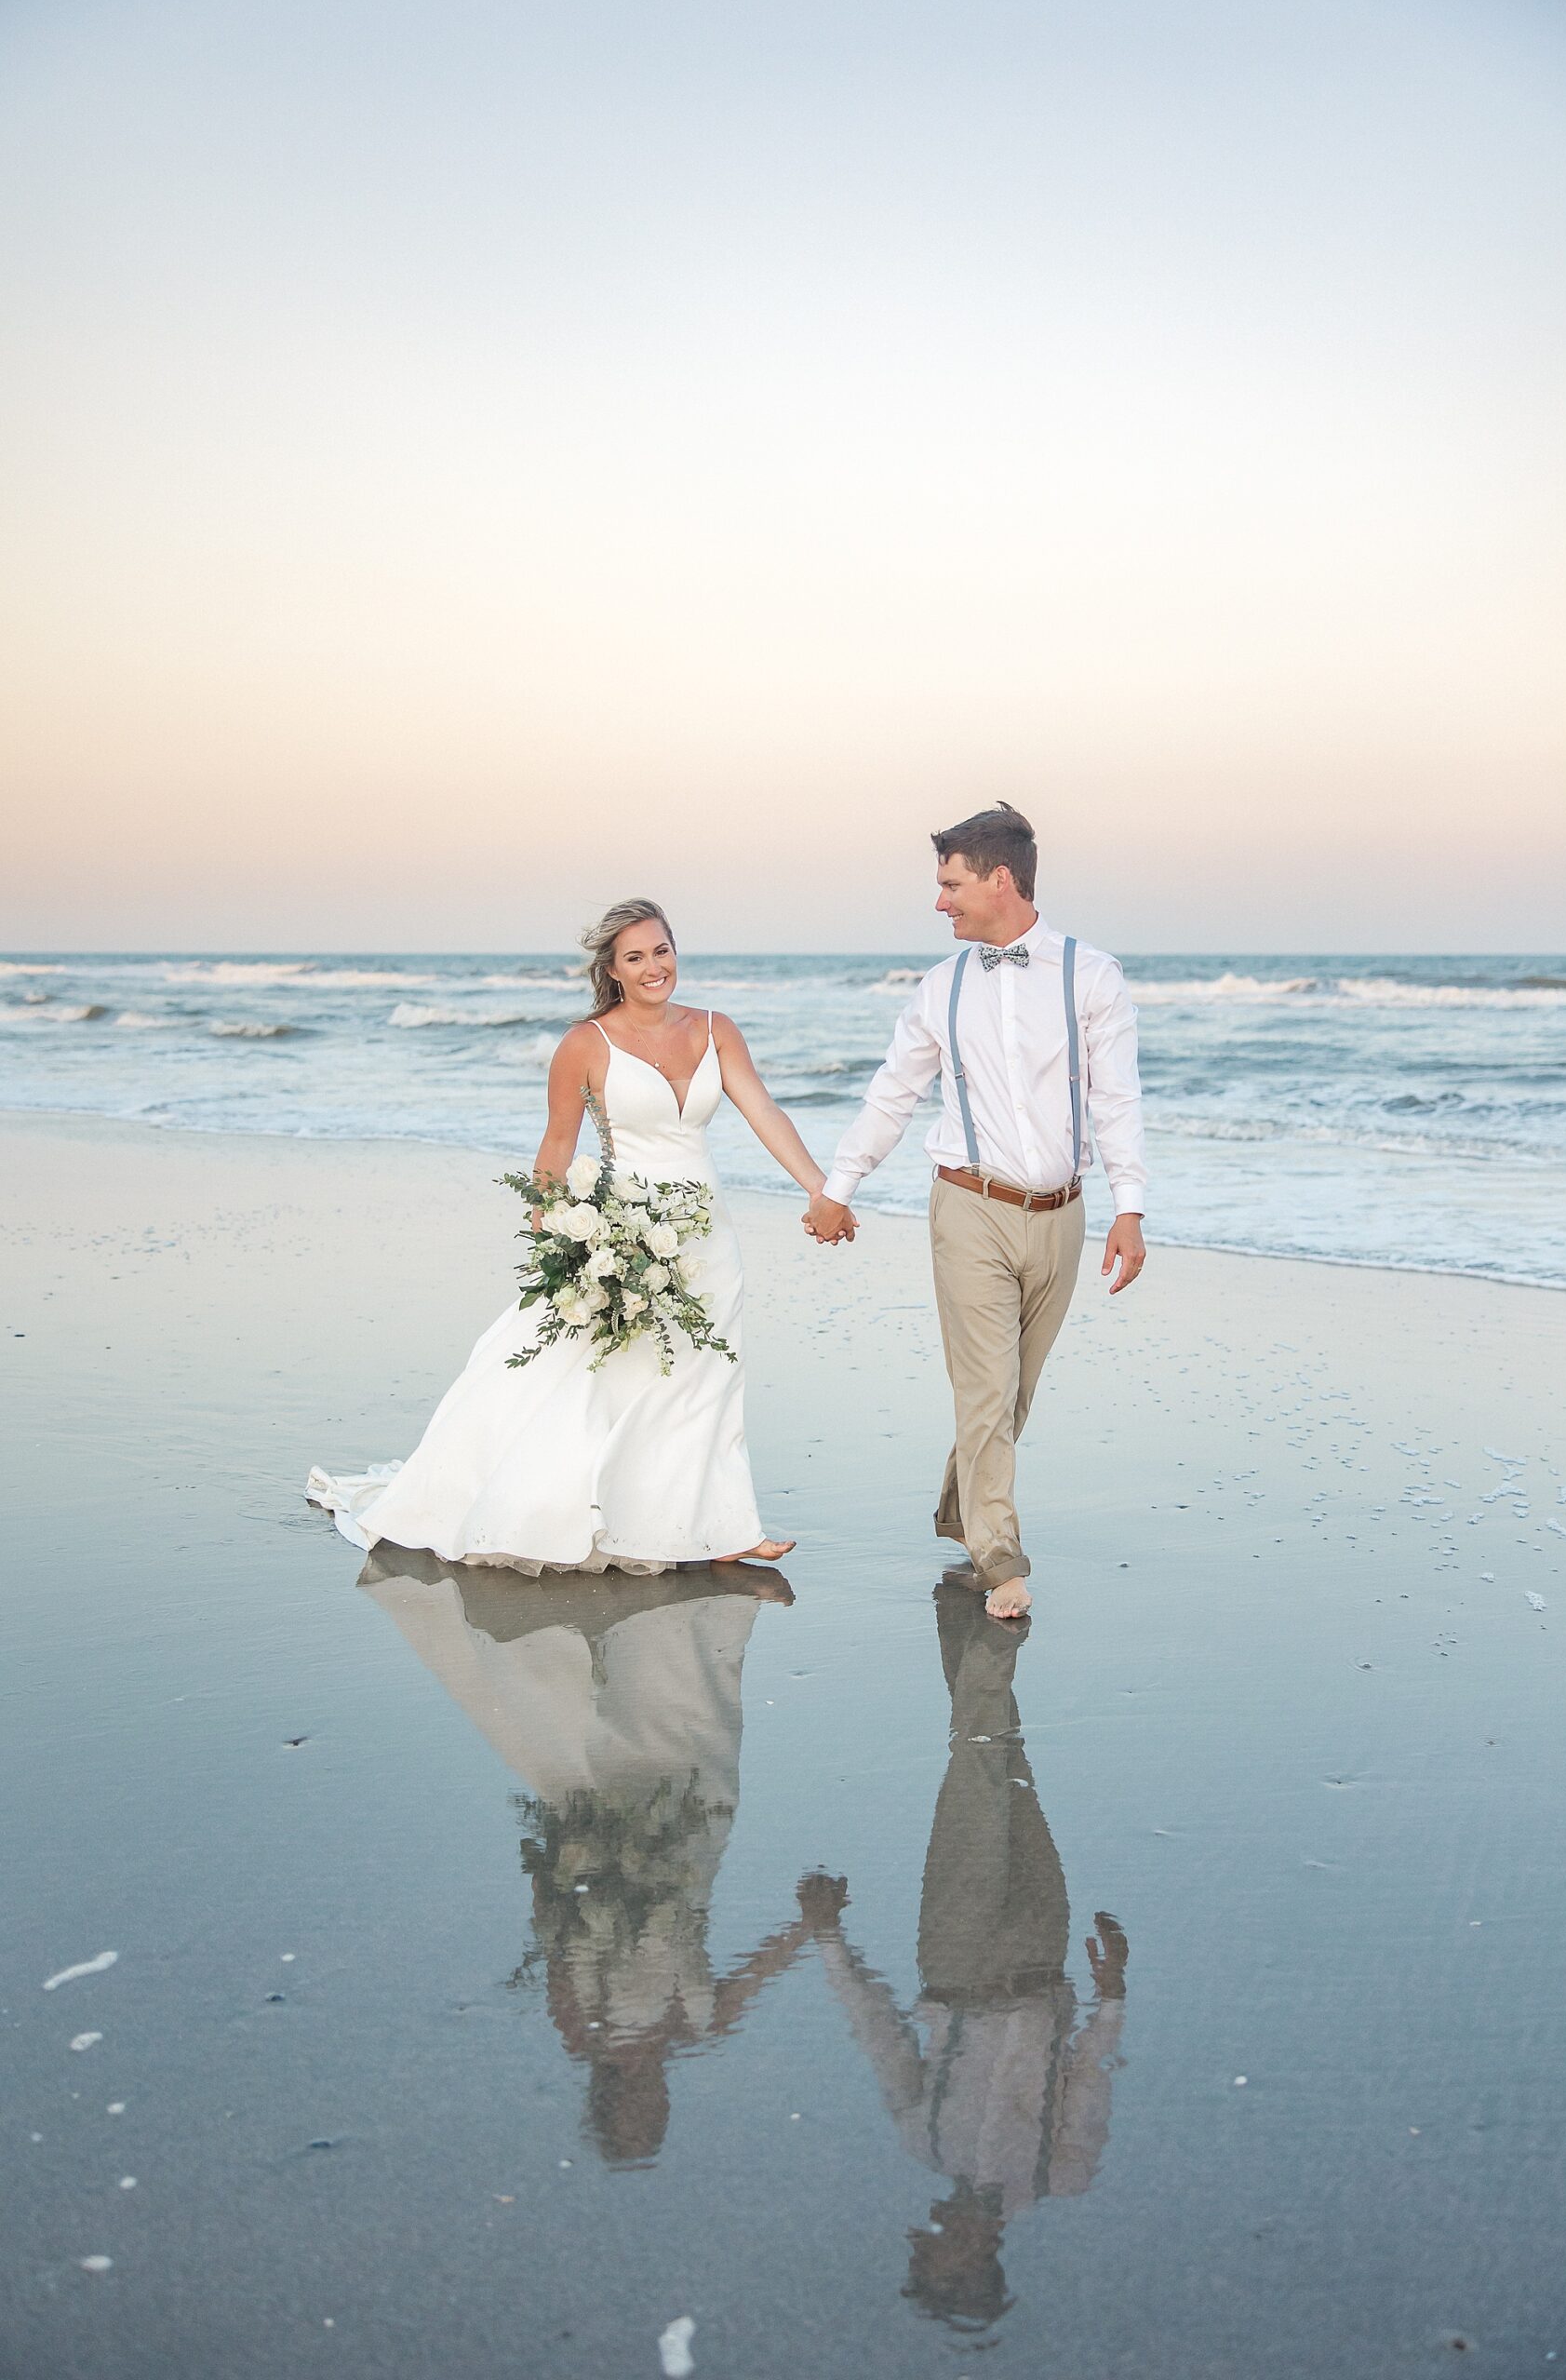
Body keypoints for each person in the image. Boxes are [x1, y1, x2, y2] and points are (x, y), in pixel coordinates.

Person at [308, 897, 842, 1573]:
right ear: (612, 971)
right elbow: (557, 1144)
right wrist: (557, 1240)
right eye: (635, 958)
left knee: (711, 1372)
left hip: (707, 1232)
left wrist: (820, 1190)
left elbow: (763, 1110)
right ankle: (602, 1511)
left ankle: (721, 1528)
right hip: (626, 1232)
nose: (654, 967)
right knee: (621, 1376)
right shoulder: (585, 1045)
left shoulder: (717, 1029)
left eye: (662, 950)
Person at [355, 1548, 813, 2167]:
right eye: (652, 2117)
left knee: (624, 1752)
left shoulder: (583, 2033)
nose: (649, 2104)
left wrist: (560, 1868)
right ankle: (689, 1621)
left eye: (637, 2116)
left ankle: (622, 1636)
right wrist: (813, 1926)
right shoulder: (692, 2031)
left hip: (606, 1864)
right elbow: (758, 1970)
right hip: (689, 1854)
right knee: (704, 1731)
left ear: (607, 2104)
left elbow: (557, 1944)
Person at [805, 805, 1147, 1619]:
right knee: (986, 1391)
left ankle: (963, 1511)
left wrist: (1128, 1209)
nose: (939, 903)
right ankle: (1000, 1560)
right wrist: (837, 1188)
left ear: (1000, 880)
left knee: (1013, 1394)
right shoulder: (938, 988)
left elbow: (1117, 1102)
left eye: (949, 884)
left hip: (1061, 1214)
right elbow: (891, 1094)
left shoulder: (1091, 976)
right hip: (967, 1206)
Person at [799, 1581, 1129, 2330]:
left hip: (955, 1958)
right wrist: (1110, 1997)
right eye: (939, 2253)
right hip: (1043, 1956)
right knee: (1008, 1769)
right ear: (980, 2262)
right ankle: (964, 1614)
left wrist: (828, 1938)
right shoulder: (1059, 2175)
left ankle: (988, 1628)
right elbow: (1088, 2082)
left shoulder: (925, 2142)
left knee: (975, 1768)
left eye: (925, 2249)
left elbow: (879, 2035)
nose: (930, 2233)